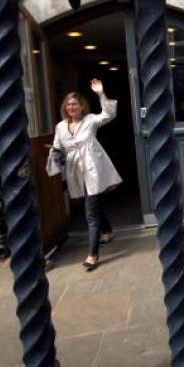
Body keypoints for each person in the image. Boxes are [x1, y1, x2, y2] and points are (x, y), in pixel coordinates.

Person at [48, 79, 122, 271]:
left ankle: (92, 254)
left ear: (82, 107)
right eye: (69, 104)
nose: (72, 107)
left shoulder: (90, 121)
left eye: (75, 104)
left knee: (90, 212)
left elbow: (109, 113)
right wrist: (55, 164)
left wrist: (100, 93)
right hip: (74, 170)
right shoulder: (60, 127)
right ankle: (106, 230)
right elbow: (57, 146)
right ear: (65, 107)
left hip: (92, 168)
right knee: (90, 203)